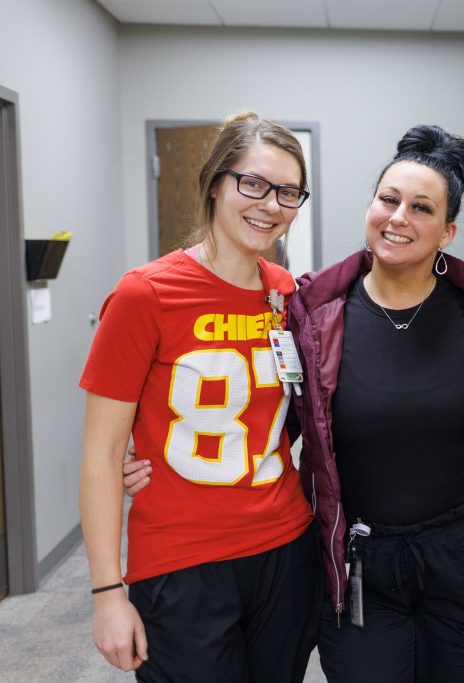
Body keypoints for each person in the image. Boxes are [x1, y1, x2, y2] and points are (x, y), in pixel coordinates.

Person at [288, 124, 464, 682]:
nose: (399, 217)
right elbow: (270, 421)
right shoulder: (314, 316)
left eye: (421, 208)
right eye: (388, 199)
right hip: (360, 562)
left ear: (447, 231)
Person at [80, 112, 321, 681]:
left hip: (285, 547)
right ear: (216, 182)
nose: (270, 204)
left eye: (288, 192)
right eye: (254, 183)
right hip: (182, 560)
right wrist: (106, 592)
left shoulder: (286, 294)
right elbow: (100, 455)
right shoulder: (145, 294)